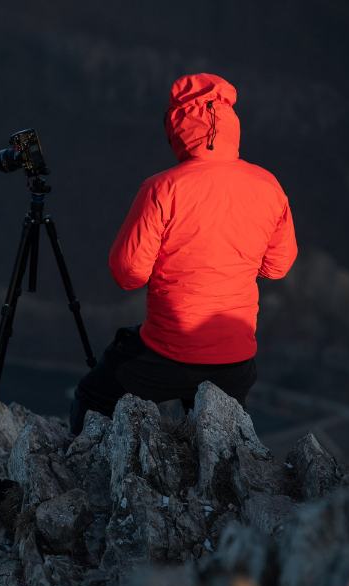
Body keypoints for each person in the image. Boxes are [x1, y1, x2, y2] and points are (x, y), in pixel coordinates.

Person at [70, 73, 297, 435]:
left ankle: (90, 471)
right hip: (236, 358)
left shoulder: (163, 188)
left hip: (166, 353)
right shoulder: (269, 186)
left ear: (178, 128)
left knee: (92, 398)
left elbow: (127, 273)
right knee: (215, 437)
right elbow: (277, 267)